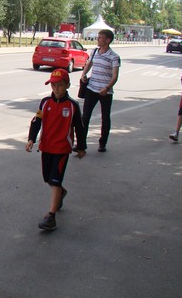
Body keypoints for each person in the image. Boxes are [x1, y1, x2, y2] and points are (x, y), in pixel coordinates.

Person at [26, 68, 86, 232]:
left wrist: (81, 147)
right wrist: (31, 139)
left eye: (59, 85)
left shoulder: (72, 105)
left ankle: (51, 216)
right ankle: (61, 192)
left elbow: (80, 128)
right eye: (53, 85)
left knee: (55, 180)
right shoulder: (45, 103)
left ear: (67, 85)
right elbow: (36, 121)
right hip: (46, 146)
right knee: (48, 178)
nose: (56, 89)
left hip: (62, 148)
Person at [77, 29, 120, 152]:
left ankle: (102, 143)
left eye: (100, 37)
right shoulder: (95, 51)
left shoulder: (114, 57)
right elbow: (89, 64)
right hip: (91, 89)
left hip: (105, 92)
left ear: (108, 40)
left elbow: (115, 76)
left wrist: (107, 88)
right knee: (85, 117)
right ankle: (81, 144)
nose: (98, 39)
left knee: (105, 118)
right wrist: (83, 74)